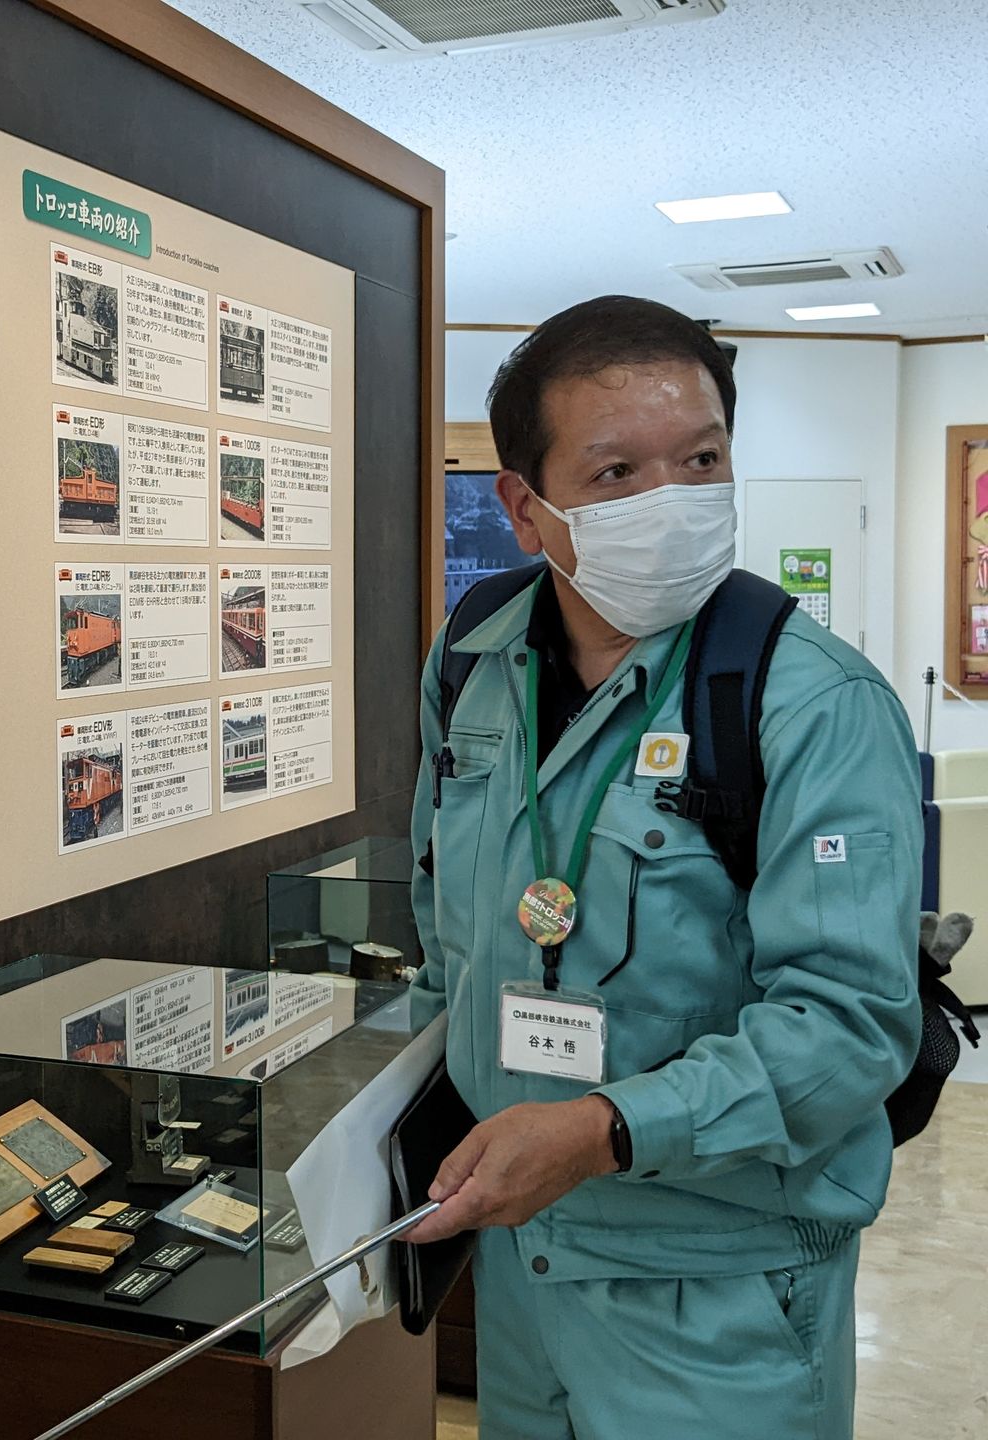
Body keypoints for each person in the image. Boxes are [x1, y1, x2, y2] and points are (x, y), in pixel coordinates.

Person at [406, 296, 920, 1438]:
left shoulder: (813, 701)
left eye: (701, 460)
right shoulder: (473, 661)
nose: (671, 503)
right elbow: (441, 926)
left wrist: (600, 1131)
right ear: (526, 510)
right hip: (523, 1264)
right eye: (618, 473)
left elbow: (849, 1024)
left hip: (716, 1280)